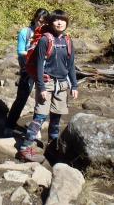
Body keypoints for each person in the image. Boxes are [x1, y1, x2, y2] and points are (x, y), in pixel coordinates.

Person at [17, 9, 78, 162]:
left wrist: (74, 85)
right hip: (47, 82)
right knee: (40, 116)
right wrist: (42, 87)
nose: (59, 23)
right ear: (51, 23)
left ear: (66, 23)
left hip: (62, 84)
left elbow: (71, 65)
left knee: (56, 117)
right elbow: (39, 66)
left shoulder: (68, 40)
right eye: (56, 20)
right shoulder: (45, 40)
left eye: (62, 20)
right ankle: (24, 148)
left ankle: (52, 147)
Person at [4, 8, 50, 136]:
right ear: (35, 18)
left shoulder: (47, 34)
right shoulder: (26, 32)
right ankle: (9, 125)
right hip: (27, 70)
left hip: (44, 70)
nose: (41, 24)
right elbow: (20, 51)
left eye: (45, 22)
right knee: (21, 98)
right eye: (39, 21)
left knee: (41, 100)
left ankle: (36, 129)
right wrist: (35, 55)